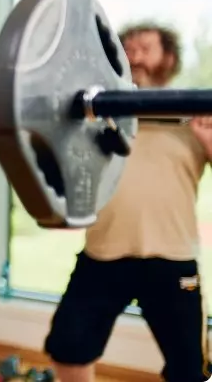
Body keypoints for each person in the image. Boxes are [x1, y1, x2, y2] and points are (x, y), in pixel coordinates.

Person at [43, 22, 212, 382]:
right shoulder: (95, 119)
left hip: (172, 257)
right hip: (105, 251)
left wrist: (207, 140)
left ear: (168, 58)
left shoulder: (194, 118)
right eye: (128, 48)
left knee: (189, 369)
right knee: (67, 347)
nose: (134, 56)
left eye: (144, 48)